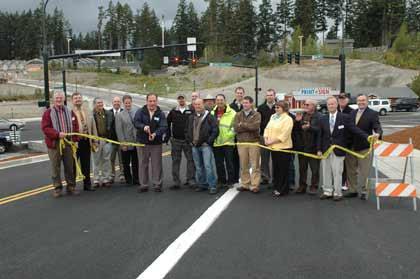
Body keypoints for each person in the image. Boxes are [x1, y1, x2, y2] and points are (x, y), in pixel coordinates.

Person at [317, 96, 369, 201]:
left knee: (337, 172)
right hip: (325, 150)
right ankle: (327, 191)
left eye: (333, 104)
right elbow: (320, 135)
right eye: (329, 104)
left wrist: (367, 136)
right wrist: (319, 149)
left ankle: (337, 193)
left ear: (337, 105)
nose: (331, 106)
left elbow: (354, 129)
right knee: (326, 171)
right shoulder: (322, 119)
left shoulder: (345, 117)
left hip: (338, 150)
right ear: (327, 106)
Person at [344, 94, 382, 200]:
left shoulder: (372, 114)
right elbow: (349, 128)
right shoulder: (352, 113)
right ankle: (352, 190)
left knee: (364, 171)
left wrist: (378, 133)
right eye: (359, 100)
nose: (361, 102)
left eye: (363, 100)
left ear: (367, 101)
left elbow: (377, 126)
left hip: (364, 147)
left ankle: (364, 191)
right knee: (351, 170)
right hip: (351, 147)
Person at [41, 91, 79, 197]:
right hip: (54, 144)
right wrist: (57, 134)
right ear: (53, 99)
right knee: (55, 167)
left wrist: (75, 140)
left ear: (64, 99)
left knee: (70, 166)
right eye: (57, 98)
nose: (59, 100)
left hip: (68, 143)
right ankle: (57, 188)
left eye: (61, 98)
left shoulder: (69, 112)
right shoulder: (48, 113)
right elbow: (45, 128)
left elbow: (75, 126)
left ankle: (71, 187)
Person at [134, 93, 168, 192]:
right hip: (142, 143)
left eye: (154, 101)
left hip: (156, 143)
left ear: (157, 101)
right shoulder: (140, 111)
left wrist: (156, 134)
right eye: (150, 101)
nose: (152, 103)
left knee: (156, 164)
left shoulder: (160, 113)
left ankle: (157, 184)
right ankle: (143, 184)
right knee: (143, 164)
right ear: (146, 101)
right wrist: (143, 127)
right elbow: (136, 122)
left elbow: (164, 126)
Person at [185, 98, 219, 194]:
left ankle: (212, 186)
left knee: (208, 166)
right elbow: (187, 130)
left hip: (205, 146)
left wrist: (208, 142)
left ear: (203, 105)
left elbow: (215, 130)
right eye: (195, 104)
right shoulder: (191, 117)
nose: (197, 106)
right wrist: (190, 141)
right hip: (194, 146)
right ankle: (202, 184)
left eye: (199, 104)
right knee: (199, 166)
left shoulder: (210, 117)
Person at [264, 101, 294, 197]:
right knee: (276, 168)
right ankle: (277, 187)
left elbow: (284, 135)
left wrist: (271, 142)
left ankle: (283, 189)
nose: (276, 109)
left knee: (283, 169)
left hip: (284, 148)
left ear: (284, 108)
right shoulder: (273, 117)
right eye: (275, 107)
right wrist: (265, 138)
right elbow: (267, 129)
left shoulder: (288, 119)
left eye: (278, 107)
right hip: (273, 148)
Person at [167, 93, 196, 189]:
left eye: (182, 98)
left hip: (188, 141)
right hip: (176, 140)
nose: (181, 100)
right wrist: (168, 137)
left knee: (190, 160)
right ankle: (176, 181)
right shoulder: (173, 111)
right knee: (176, 161)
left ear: (185, 99)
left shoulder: (191, 111)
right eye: (179, 99)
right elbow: (167, 124)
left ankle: (190, 180)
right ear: (177, 100)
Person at [234, 96, 261, 193]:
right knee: (243, 164)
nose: (244, 104)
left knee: (255, 165)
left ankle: (254, 185)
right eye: (243, 103)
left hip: (254, 142)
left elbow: (255, 127)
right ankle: (245, 184)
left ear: (251, 103)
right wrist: (246, 125)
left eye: (246, 103)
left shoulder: (257, 114)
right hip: (241, 143)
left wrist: (243, 124)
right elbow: (236, 128)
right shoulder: (238, 115)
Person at [294, 99, 321, 195]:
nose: (305, 106)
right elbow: (296, 130)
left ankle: (314, 186)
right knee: (302, 168)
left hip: (313, 147)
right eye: (304, 104)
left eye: (307, 104)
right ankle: (302, 186)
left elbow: (320, 131)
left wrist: (310, 128)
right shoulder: (302, 115)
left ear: (314, 106)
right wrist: (297, 122)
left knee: (315, 169)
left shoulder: (319, 116)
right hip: (303, 147)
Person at [211, 94, 236, 188]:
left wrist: (227, 136)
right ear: (215, 101)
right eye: (218, 100)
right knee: (219, 163)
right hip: (216, 142)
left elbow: (235, 128)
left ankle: (230, 181)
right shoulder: (212, 113)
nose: (219, 102)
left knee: (229, 162)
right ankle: (221, 180)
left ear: (225, 101)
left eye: (221, 100)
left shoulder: (232, 112)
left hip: (228, 142)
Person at [71, 92, 95, 191]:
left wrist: (94, 140)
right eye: (76, 98)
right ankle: (71, 186)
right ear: (72, 101)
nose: (78, 100)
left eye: (79, 98)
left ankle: (87, 184)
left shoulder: (87, 111)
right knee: (73, 165)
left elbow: (92, 126)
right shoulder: (69, 112)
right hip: (75, 143)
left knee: (86, 164)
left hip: (86, 141)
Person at [115, 95, 139, 186]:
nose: (128, 104)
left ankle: (136, 179)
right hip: (126, 142)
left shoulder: (136, 112)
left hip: (136, 142)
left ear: (131, 103)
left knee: (135, 162)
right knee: (125, 163)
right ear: (123, 104)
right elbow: (119, 130)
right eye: (126, 103)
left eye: (129, 103)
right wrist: (123, 143)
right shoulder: (119, 115)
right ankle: (128, 179)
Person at [90, 97, 114, 188]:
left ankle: (106, 179)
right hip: (96, 141)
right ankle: (96, 180)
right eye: (98, 103)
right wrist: (93, 140)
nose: (100, 104)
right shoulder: (91, 115)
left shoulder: (108, 114)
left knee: (106, 160)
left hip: (107, 140)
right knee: (96, 161)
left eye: (101, 103)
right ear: (94, 104)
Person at [257, 89, 276, 185]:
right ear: (266, 96)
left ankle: (275, 178)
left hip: (276, 137)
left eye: (271, 95)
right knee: (264, 158)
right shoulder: (261, 108)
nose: (269, 97)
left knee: (276, 158)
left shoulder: (278, 107)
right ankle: (265, 177)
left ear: (274, 96)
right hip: (263, 136)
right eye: (268, 95)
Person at [338, 93, 354, 191]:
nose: (342, 100)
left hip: (348, 143)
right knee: (337, 165)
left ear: (348, 100)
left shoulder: (352, 112)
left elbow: (352, 129)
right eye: (340, 99)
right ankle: (337, 182)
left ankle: (346, 183)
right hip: (336, 143)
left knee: (348, 165)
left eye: (344, 99)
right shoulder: (334, 110)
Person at [109, 96, 125, 184]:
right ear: (112, 103)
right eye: (115, 102)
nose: (116, 103)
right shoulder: (109, 113)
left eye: (118, 102)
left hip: (122, 141)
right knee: (111, 159)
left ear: (120, 103)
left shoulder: (123, 112)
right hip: (112, 141)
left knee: (122, 159)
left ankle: (122, 174)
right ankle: (112, 175)